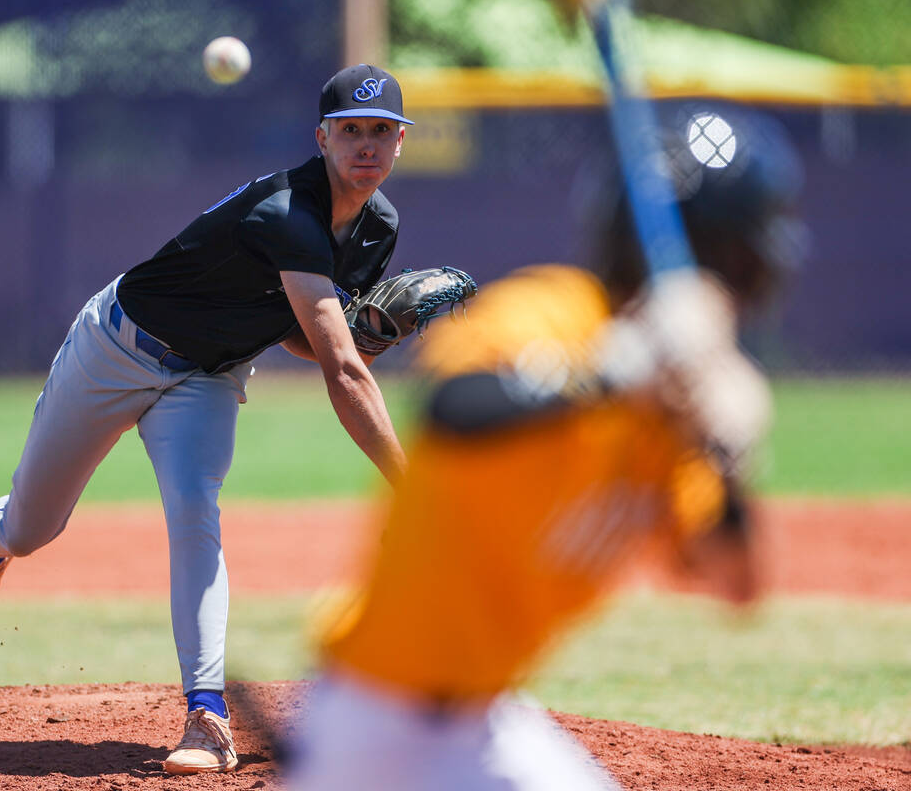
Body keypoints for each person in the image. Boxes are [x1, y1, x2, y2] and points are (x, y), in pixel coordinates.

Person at [288, 108, 806, 791]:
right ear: (732, 257)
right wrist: (623, 366)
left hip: (484, 722)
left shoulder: (676, 420)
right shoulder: (555, 314)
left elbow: (733, 582)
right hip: (372, 723)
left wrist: (729, 457)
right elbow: (453, 411)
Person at [0, 64, 418, 775]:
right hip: (116, 349)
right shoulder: (287, 211)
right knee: (35, 528)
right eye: (351, 129)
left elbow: (301, 336)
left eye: (382, 131)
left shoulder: (378, 227)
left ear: (401, 143)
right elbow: (340, 369)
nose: (366, 146)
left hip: (207, 376)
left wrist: (365, 333)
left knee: (196, 509)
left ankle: (207, 717)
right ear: (322, 138)